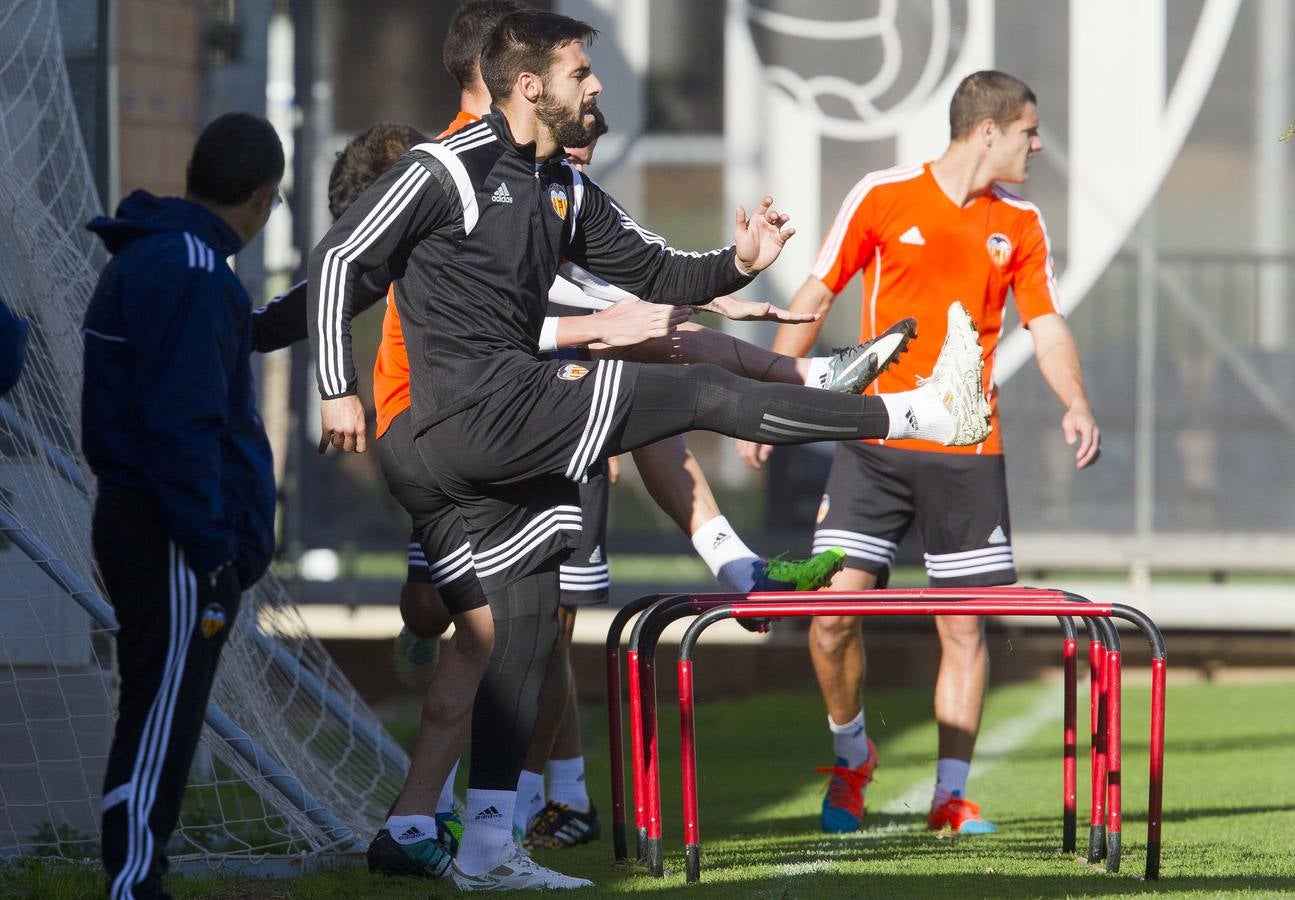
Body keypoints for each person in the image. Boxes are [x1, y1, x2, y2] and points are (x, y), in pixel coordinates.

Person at [308, 10, 989, 890]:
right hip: (469, 424)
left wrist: (737, 262)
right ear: (529, 86)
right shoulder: (446, 167)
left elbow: (662, 274)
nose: (595, 85)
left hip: (492, 442)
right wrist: (334, 384)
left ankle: (456, 839)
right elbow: (337, 264)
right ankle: (915, 413)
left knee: (516, 634)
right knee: (694, 390)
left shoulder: (562, 186)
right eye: (580, 71)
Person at [736, 70, 1101, 837]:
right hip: (873, 442)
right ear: (988, 132)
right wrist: (761, 408)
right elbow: (814, 295)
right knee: (832, 618)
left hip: (969, 454)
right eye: (1029, 131)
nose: (1038, 145)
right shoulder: (882, 193)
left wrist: (1074, 400)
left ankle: (950, 796)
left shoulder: (1023, 224)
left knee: (964, 627)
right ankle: (851, 757)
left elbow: (1048, 328)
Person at [82, 112, 284, 900]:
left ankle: (138, 870)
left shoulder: (162, 254)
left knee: (157, 702)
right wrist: (213, 549)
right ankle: (134, 878)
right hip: (169, 532)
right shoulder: (195, 270)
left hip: (150, 521)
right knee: (161, 709)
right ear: (265, 198)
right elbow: (184, 425)